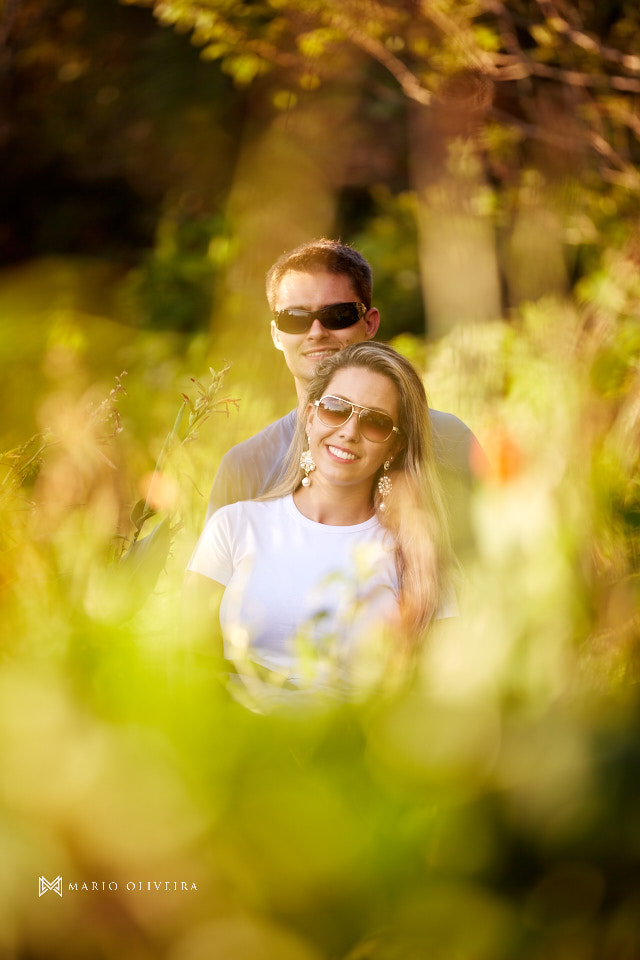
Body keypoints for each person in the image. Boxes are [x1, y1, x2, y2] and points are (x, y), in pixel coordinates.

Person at [186, 342, 455, 691]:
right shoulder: (234, 527)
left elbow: (443, 696)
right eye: (335, 408)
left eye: (375, 421)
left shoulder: (418, 556)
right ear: (311, 417)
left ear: (395, 445)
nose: (349, 431)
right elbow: (187, 666)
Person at [205, 239, 485, 556]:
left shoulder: (451, 440)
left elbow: (499, 572)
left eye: (337, 315)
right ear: (276, 335)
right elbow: (207, 601)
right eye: (295, 318)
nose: (316, 332)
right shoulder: (245, 466)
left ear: (370, 323)